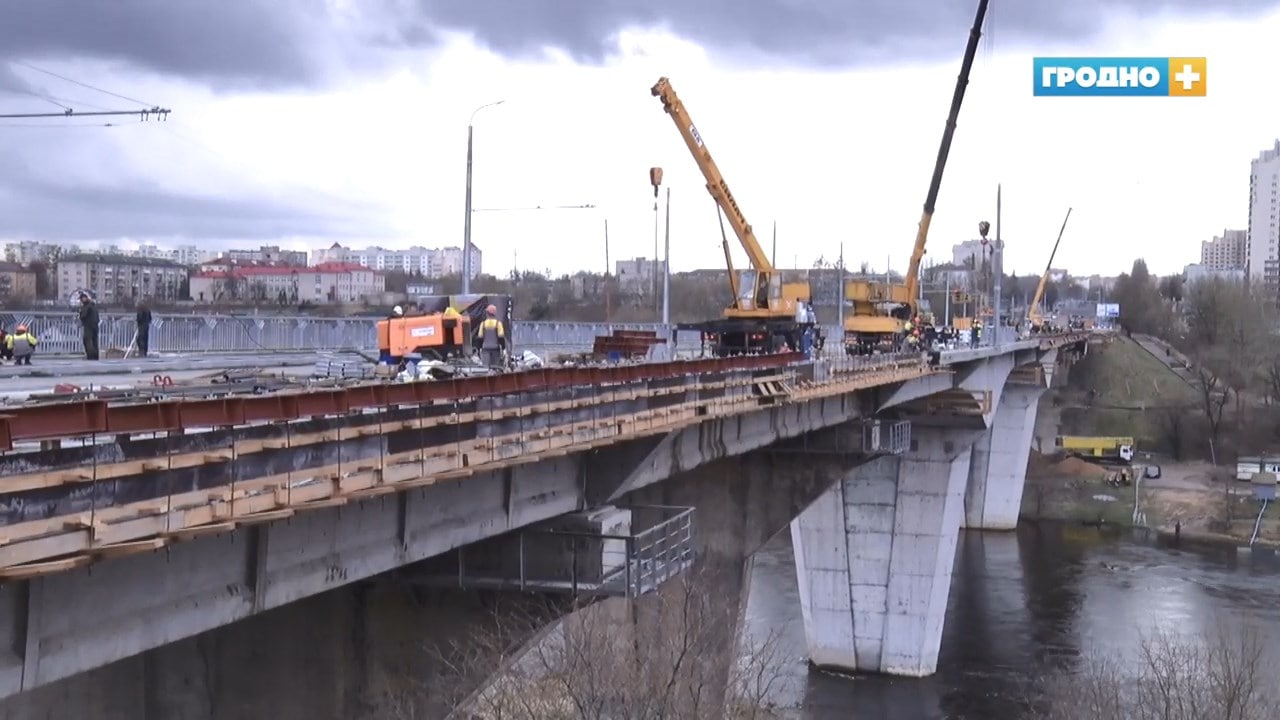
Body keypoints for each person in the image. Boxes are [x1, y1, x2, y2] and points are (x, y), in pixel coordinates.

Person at [476, 304, 506, 368]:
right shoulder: (498, 324)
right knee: (496, 368)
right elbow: (501, 338)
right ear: (494, 313)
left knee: (486, 368)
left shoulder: (483, 324)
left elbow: (480, 338)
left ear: (487, 313)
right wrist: (503, 349)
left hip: (485, 349)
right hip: (496, 349)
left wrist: (479, 349)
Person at [79, 293, 100, 360]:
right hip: (95, 325)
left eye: (81, 299)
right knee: (94, 341)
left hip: (88, 325)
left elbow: (83, 316)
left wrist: (80, 312)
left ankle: (90, 356)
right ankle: (96, 356)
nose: (81, 301)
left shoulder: (87, 306)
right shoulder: (93, 305)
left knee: (87, 341)